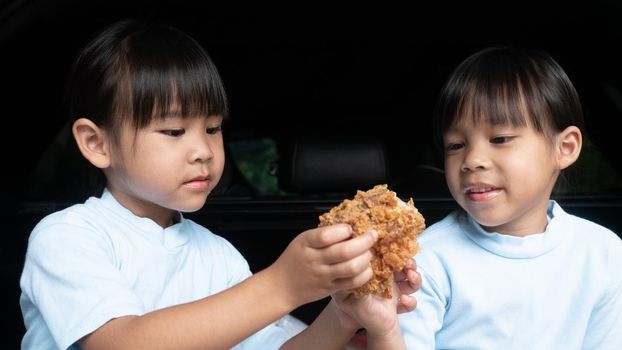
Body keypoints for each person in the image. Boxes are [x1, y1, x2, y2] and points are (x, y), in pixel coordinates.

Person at [19, 19, 420, 350]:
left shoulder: (219, 257)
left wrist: (341, 316)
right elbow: (119, 343)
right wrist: (282, 286)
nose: (203, 150)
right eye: (174, 130)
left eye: (212, 128)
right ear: (97, 143)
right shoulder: (68, 237)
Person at [398, 46, 622, 349]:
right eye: (455, 145)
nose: (472, 160)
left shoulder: (603, 252)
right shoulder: (424, 260)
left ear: (565, 148)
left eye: (500, 139)